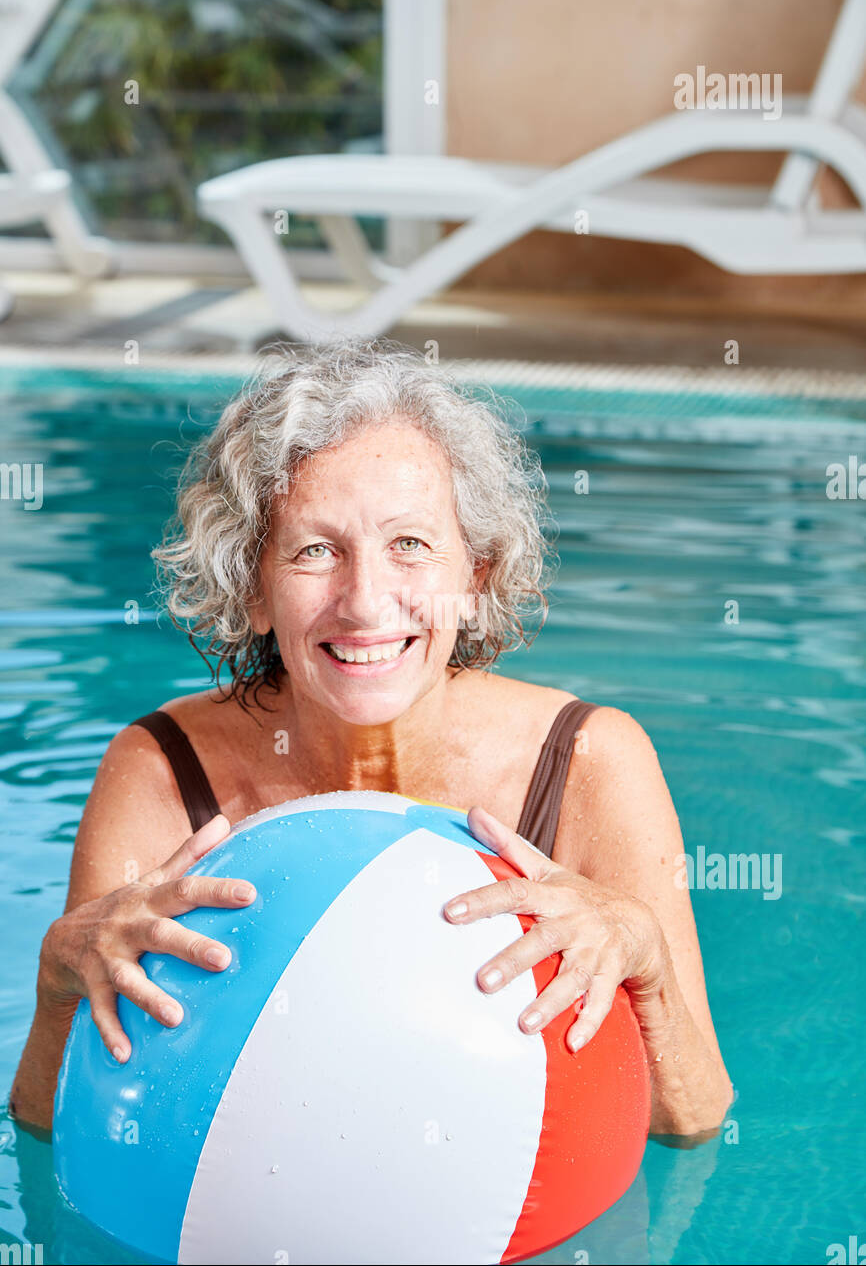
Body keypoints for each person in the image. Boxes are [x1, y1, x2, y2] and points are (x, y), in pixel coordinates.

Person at [11, 339, 733, 1136]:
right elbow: (51, 1130)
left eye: (410, 546)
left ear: (476, 579)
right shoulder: (158, 771)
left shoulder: (589, 760)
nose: (365, 602)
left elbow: (694, 1123)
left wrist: (646, 969)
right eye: (316, 551)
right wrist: (56, 986)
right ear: (254, 592)